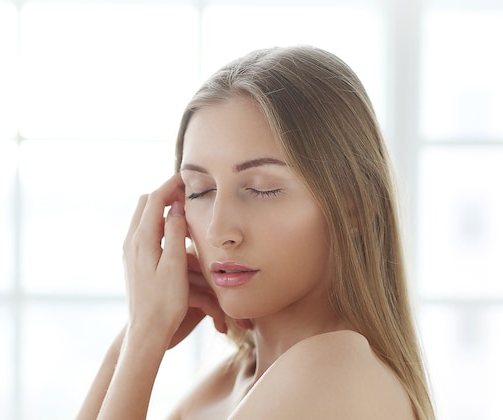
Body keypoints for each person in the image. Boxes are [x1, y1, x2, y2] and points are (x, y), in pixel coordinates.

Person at [76, 45, 435, 419]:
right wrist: (131, 342)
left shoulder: (336, 370)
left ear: (355, 209)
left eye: (262, 188)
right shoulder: (223, 386)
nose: (219, 231)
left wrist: (145, 339)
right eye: (199, 190)